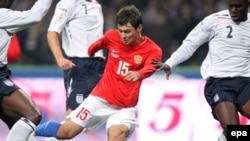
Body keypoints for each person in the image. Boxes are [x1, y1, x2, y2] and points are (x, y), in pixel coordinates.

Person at [35, 5, 162, 141]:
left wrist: (139, 74)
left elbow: (151, 67)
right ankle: (30, 131)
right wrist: (90, 52)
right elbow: (95, 47)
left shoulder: (153, 50)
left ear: (139, 28)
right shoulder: (112, 36)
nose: (123, 36)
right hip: (99, 100)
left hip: (124, 109)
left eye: (127, 31)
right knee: (66, 132)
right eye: (120, 31)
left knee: (116, 136)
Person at [152, 0, 250, 141]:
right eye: (231, 6)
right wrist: (170, 63)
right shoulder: (214, 20)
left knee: (235, 135)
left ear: (247, 5)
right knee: (235, 134)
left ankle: (224, 137)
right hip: (219, 84)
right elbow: (191, 43)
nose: (233, 10)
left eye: (238, 6)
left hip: (245, 83)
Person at [45, 0, 105, 140]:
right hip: (80, 65)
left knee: (100, 113)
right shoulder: (68, 3)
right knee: (74, 118)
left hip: (99, 64)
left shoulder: (96, 4)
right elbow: (52, 32)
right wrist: (59, 58)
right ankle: (47, 137)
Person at [0, 0, 53, 141]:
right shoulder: (2, 15)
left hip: (2, 75)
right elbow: (35, 16)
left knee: (19, 125)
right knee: (32, 114)